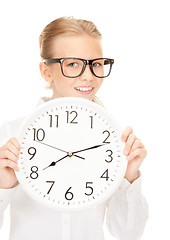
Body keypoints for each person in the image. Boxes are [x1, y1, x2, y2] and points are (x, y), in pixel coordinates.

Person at [0, 17, 148, 240]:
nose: (88, 76)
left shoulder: (116, 142)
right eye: (72, 64)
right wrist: (3, 186)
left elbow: (129, 233)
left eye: (96, 64)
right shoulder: (11, 135)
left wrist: (129, 177)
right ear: (46, 71)